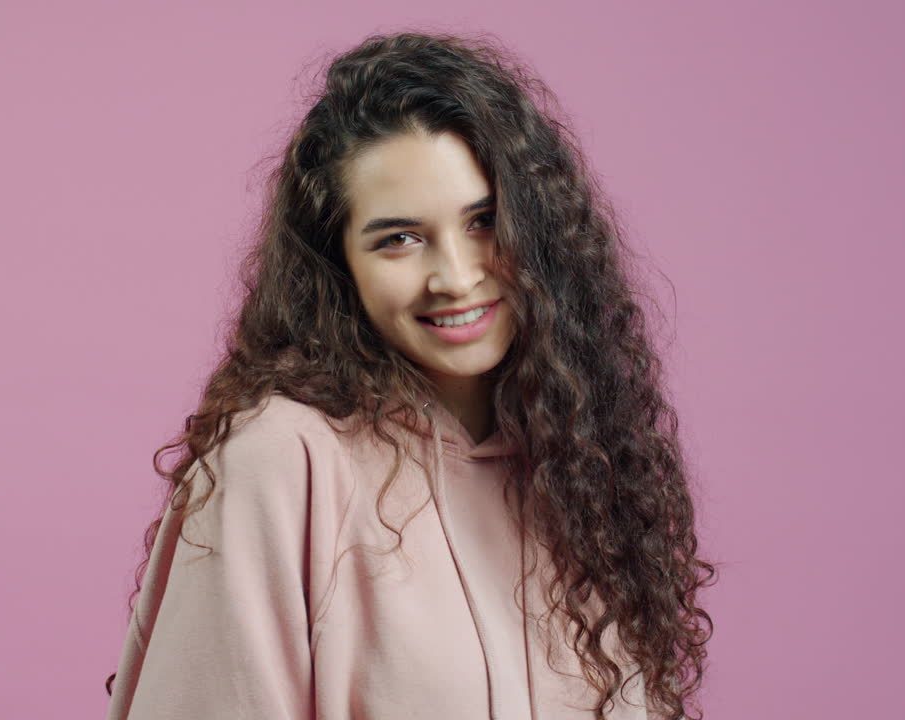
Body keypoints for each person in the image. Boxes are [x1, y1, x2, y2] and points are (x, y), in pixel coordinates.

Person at [104, 30, 716, 720]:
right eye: (400, 239)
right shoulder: (282, 462)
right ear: (339, 264)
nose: (455, 277)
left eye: (485, 222)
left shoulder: (584, 468)